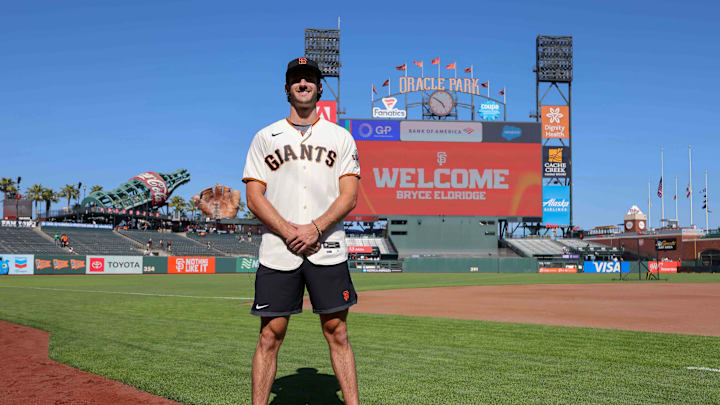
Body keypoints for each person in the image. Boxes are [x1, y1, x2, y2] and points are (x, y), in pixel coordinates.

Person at [242, 57, 361, 405]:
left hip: (328, 247)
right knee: (269, 335)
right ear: (287, 89)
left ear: (319, 87)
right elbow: (254, 196)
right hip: (279, 250)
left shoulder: (340, 137)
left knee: (337, 331)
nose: (303, 84)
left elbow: (349, 195)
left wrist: (315, 228)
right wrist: (289, 231)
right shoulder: (265, 137)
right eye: (296, 79)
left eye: (309, 78)